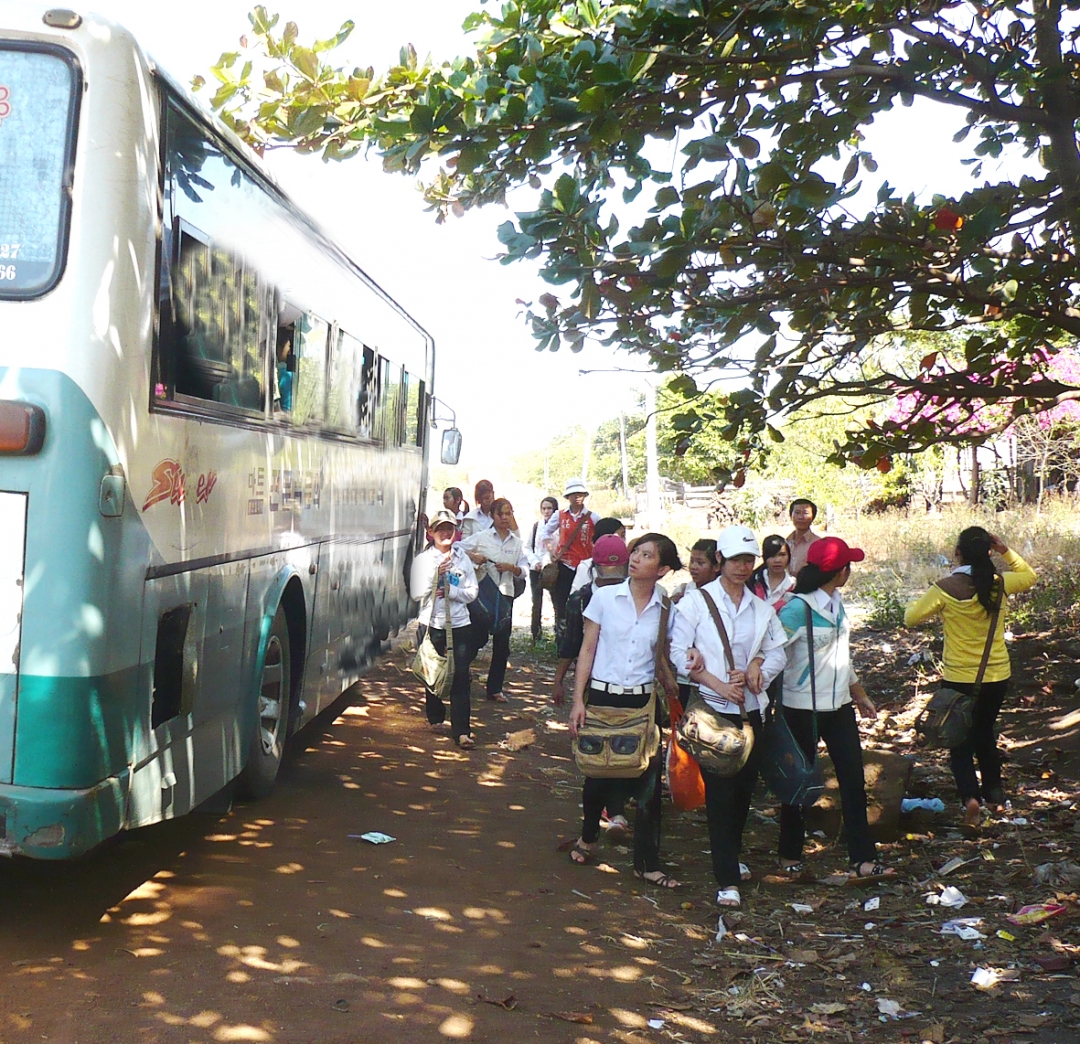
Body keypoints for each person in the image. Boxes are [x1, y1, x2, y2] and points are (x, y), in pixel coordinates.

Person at [669, 526, 787, 908]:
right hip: (711, 713)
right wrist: (710, 678)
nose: (742, 567)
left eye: (748, 561)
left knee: (743, 792)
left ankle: (731, 856)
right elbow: (677, 652)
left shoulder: (760, 607)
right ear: (720, 560)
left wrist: (758, 671)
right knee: (720, 794)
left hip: (749, 711)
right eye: (736, 560)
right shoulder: (696, 602)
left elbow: (777, 651)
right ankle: (726, 878)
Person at [775, 536, 893, 881]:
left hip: (839, 706)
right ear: (840, 571)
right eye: (847, 566)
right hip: (801, 709)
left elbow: (842, 656)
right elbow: (771, 653)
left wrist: (859, 694)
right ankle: (788, 855)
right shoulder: (797, 608)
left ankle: (862, 858)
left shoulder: (837, 603)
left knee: (853, 781)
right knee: (798, 783)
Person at [567, 534, 682, 887]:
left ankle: (647, 862)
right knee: (597, 774)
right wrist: (578, 700)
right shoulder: (604, 597)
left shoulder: (665, 608)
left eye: (646, 555)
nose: (635, 558)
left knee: (648, 785)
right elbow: (587, 649)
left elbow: (664, 655)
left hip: (642, 703)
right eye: (636, 551)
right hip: (602, 699)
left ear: (661, 570)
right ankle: (588, 835)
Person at [903, 527, 1037, 823]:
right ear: (988, 550)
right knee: (985, 734)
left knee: (959, 741)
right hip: (997, 675)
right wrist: (1005, 551)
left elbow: (911, 618)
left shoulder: (945, 588)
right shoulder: (999, 583)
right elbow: (1029, 576)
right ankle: (996, 797)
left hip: (958, 678)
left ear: (957, 552)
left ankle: (970, 799)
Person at [553, 534, 633, 839]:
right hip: (594, 684)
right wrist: (564, 684)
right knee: (601, 748)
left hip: (627, 685)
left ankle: (615, 810)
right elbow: (575, 646)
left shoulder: (640, 595)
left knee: (625, 746)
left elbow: (569, 645)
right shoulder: (583, 599)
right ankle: (609, 813)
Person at [409, 509, 480, 750]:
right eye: (440, 529)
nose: (446, 533)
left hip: (460, 625)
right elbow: (416, 593)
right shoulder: (423, 560)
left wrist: (453, 592)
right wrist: (435, 576)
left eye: (450, 529)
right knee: (433, 672)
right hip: (431, 624)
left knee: (461, 676)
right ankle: (436, 716)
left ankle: (462, 731)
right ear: (431, 533)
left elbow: (472, 592)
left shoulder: (463, 558)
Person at [461, 498, 531, 703]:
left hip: (505, 595)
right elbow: (457, 549)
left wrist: (512, 568)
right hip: (482, 595)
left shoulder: (516, 542)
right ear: (492, 515)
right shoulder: (481, 537)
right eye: (501, 513)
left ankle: (495, 688)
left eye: (508, 513)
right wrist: (474, 557)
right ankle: (459, 673)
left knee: (502, 643)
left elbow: (524, 569)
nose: (505, 518)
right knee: (477, 637)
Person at [541, 479, 600, 644]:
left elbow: (603, 534)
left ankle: (584, 641)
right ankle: (563, 642)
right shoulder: (560, 515)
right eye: (574, 494)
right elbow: (545, 533)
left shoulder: (593, 517)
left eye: (580, 494)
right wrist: (552, 550)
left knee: (586, 603)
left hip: (585, 567)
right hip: (565, 566)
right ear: (568, 496)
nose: (578, 497)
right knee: (562, 603)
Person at [671, 538, 723, 711]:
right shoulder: (683, 591)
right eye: (692, 561)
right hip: (686, 676)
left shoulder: (723, 596)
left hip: (715, 676)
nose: (693, 567)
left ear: (716, 566)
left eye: (700, 563)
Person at [525, 496, 559, 642]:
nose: (546, 511)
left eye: (549, 508)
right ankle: (536, 634)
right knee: (536, 602)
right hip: (536, 569)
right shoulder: (536, 526)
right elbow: (527, 547)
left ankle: (559, 634)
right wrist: (534, 562)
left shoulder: (560, 527)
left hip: (552, 569)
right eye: (544, 508)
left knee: (557, 602)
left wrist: (546, 562)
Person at [569, 517, 627, 595]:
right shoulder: (586, 567)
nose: (621, 541)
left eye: (623, 535)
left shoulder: (630, 564)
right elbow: (575, 599)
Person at [750, 535, 795, 610]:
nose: (777, 560)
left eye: (782, 555)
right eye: (772, 555)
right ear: (764, 557)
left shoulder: (794, 587)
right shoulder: (752, 581)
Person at [786, 498, 822, 576]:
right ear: (790, 515)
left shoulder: (818, 544)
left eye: (805, 513)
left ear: (813, 517)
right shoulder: (785, 543)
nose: (801, 517)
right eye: (797, 512)